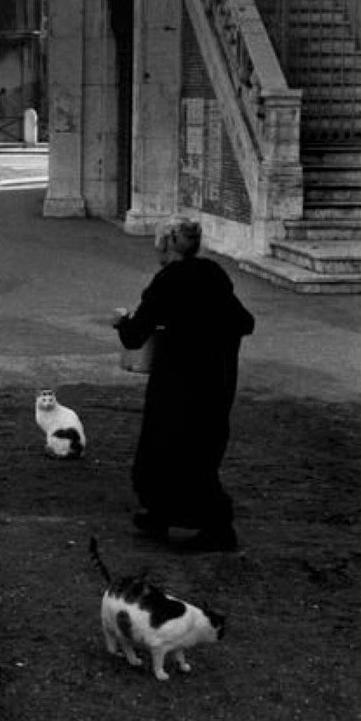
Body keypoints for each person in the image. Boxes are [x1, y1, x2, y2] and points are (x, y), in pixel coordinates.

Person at [111, 217, 254, 552]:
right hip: (216, 379)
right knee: (200, 449)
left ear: (167, 244)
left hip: (178, 381)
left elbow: (134, 338)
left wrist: (122, 322)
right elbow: (245, 322)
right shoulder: (213, 274)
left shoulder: (167, 282)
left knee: (168, 447)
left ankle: (217, 529)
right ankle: (162, 514)